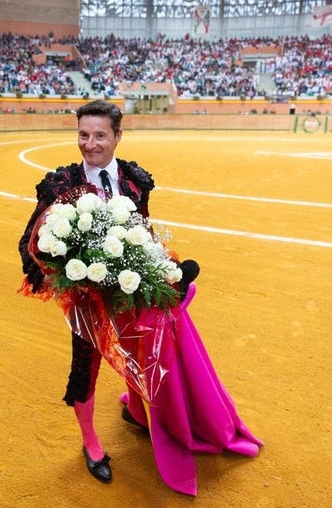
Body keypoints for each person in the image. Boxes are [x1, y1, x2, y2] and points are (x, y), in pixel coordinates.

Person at [18, 99, 198, 484]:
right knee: (85, 366)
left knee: (140, 349)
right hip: (84, 297)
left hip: (128, 292)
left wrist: (163, 269)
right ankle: (90, 441)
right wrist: (66, 270)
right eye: (83, 134)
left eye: (100, 135)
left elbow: (143, 231)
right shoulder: (61, 184)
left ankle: (135, 409)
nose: (90, 143)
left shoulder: (134, 181)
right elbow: (31, 239)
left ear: (118, 136)